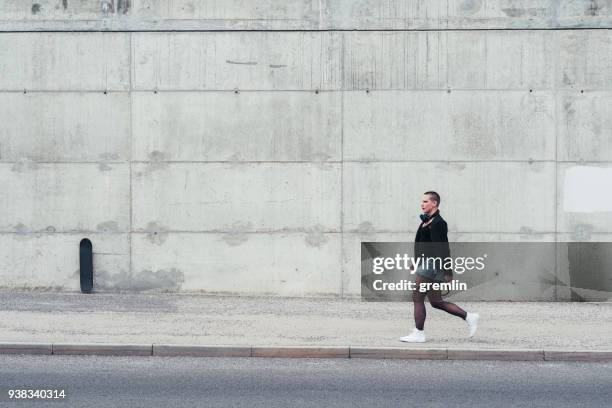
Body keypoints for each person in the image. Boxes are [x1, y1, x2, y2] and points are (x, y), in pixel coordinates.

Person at [400, 191, 479, 343]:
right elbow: (422, 245)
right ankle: (469, 316)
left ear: (434, 203)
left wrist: (448, 272)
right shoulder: (426, 221)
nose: (422, 204)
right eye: (421, 202)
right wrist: (416, 262)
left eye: (425, 201)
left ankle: (419, 333)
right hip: (426, 264)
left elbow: (443, 249)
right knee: (436, 302)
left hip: (432, 265)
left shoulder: (438, 223)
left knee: (417, 296)